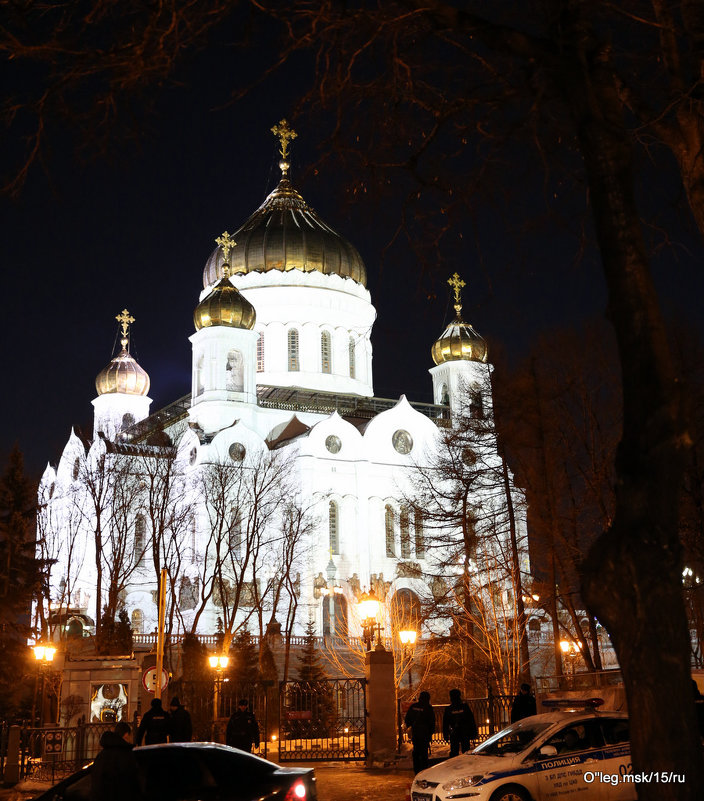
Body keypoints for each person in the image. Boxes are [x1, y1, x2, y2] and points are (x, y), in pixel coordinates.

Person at [90, 721, 143, 801]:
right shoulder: (126, 755)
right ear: (126, 735)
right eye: (130, 736)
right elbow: (132, 784)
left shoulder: (101, 755)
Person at [404, 690, 435, 774]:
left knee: (416, 753)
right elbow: (432, 722)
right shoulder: (428, 708)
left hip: (416, 733)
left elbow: (407, 719)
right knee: (424, 753)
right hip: (425, 734)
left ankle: (416, 770)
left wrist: (411, 727)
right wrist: (430, 732)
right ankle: (424, 771)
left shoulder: (414, 706)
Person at [442, 688, 478, 757]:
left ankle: (454, 765)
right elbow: (471, 720)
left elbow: (445, 723)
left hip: (454, 733)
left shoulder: (449, 709)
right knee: (466, 752)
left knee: (454, 752)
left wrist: (446, 734)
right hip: (465, 732)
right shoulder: (464, 707)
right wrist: (473, 732)